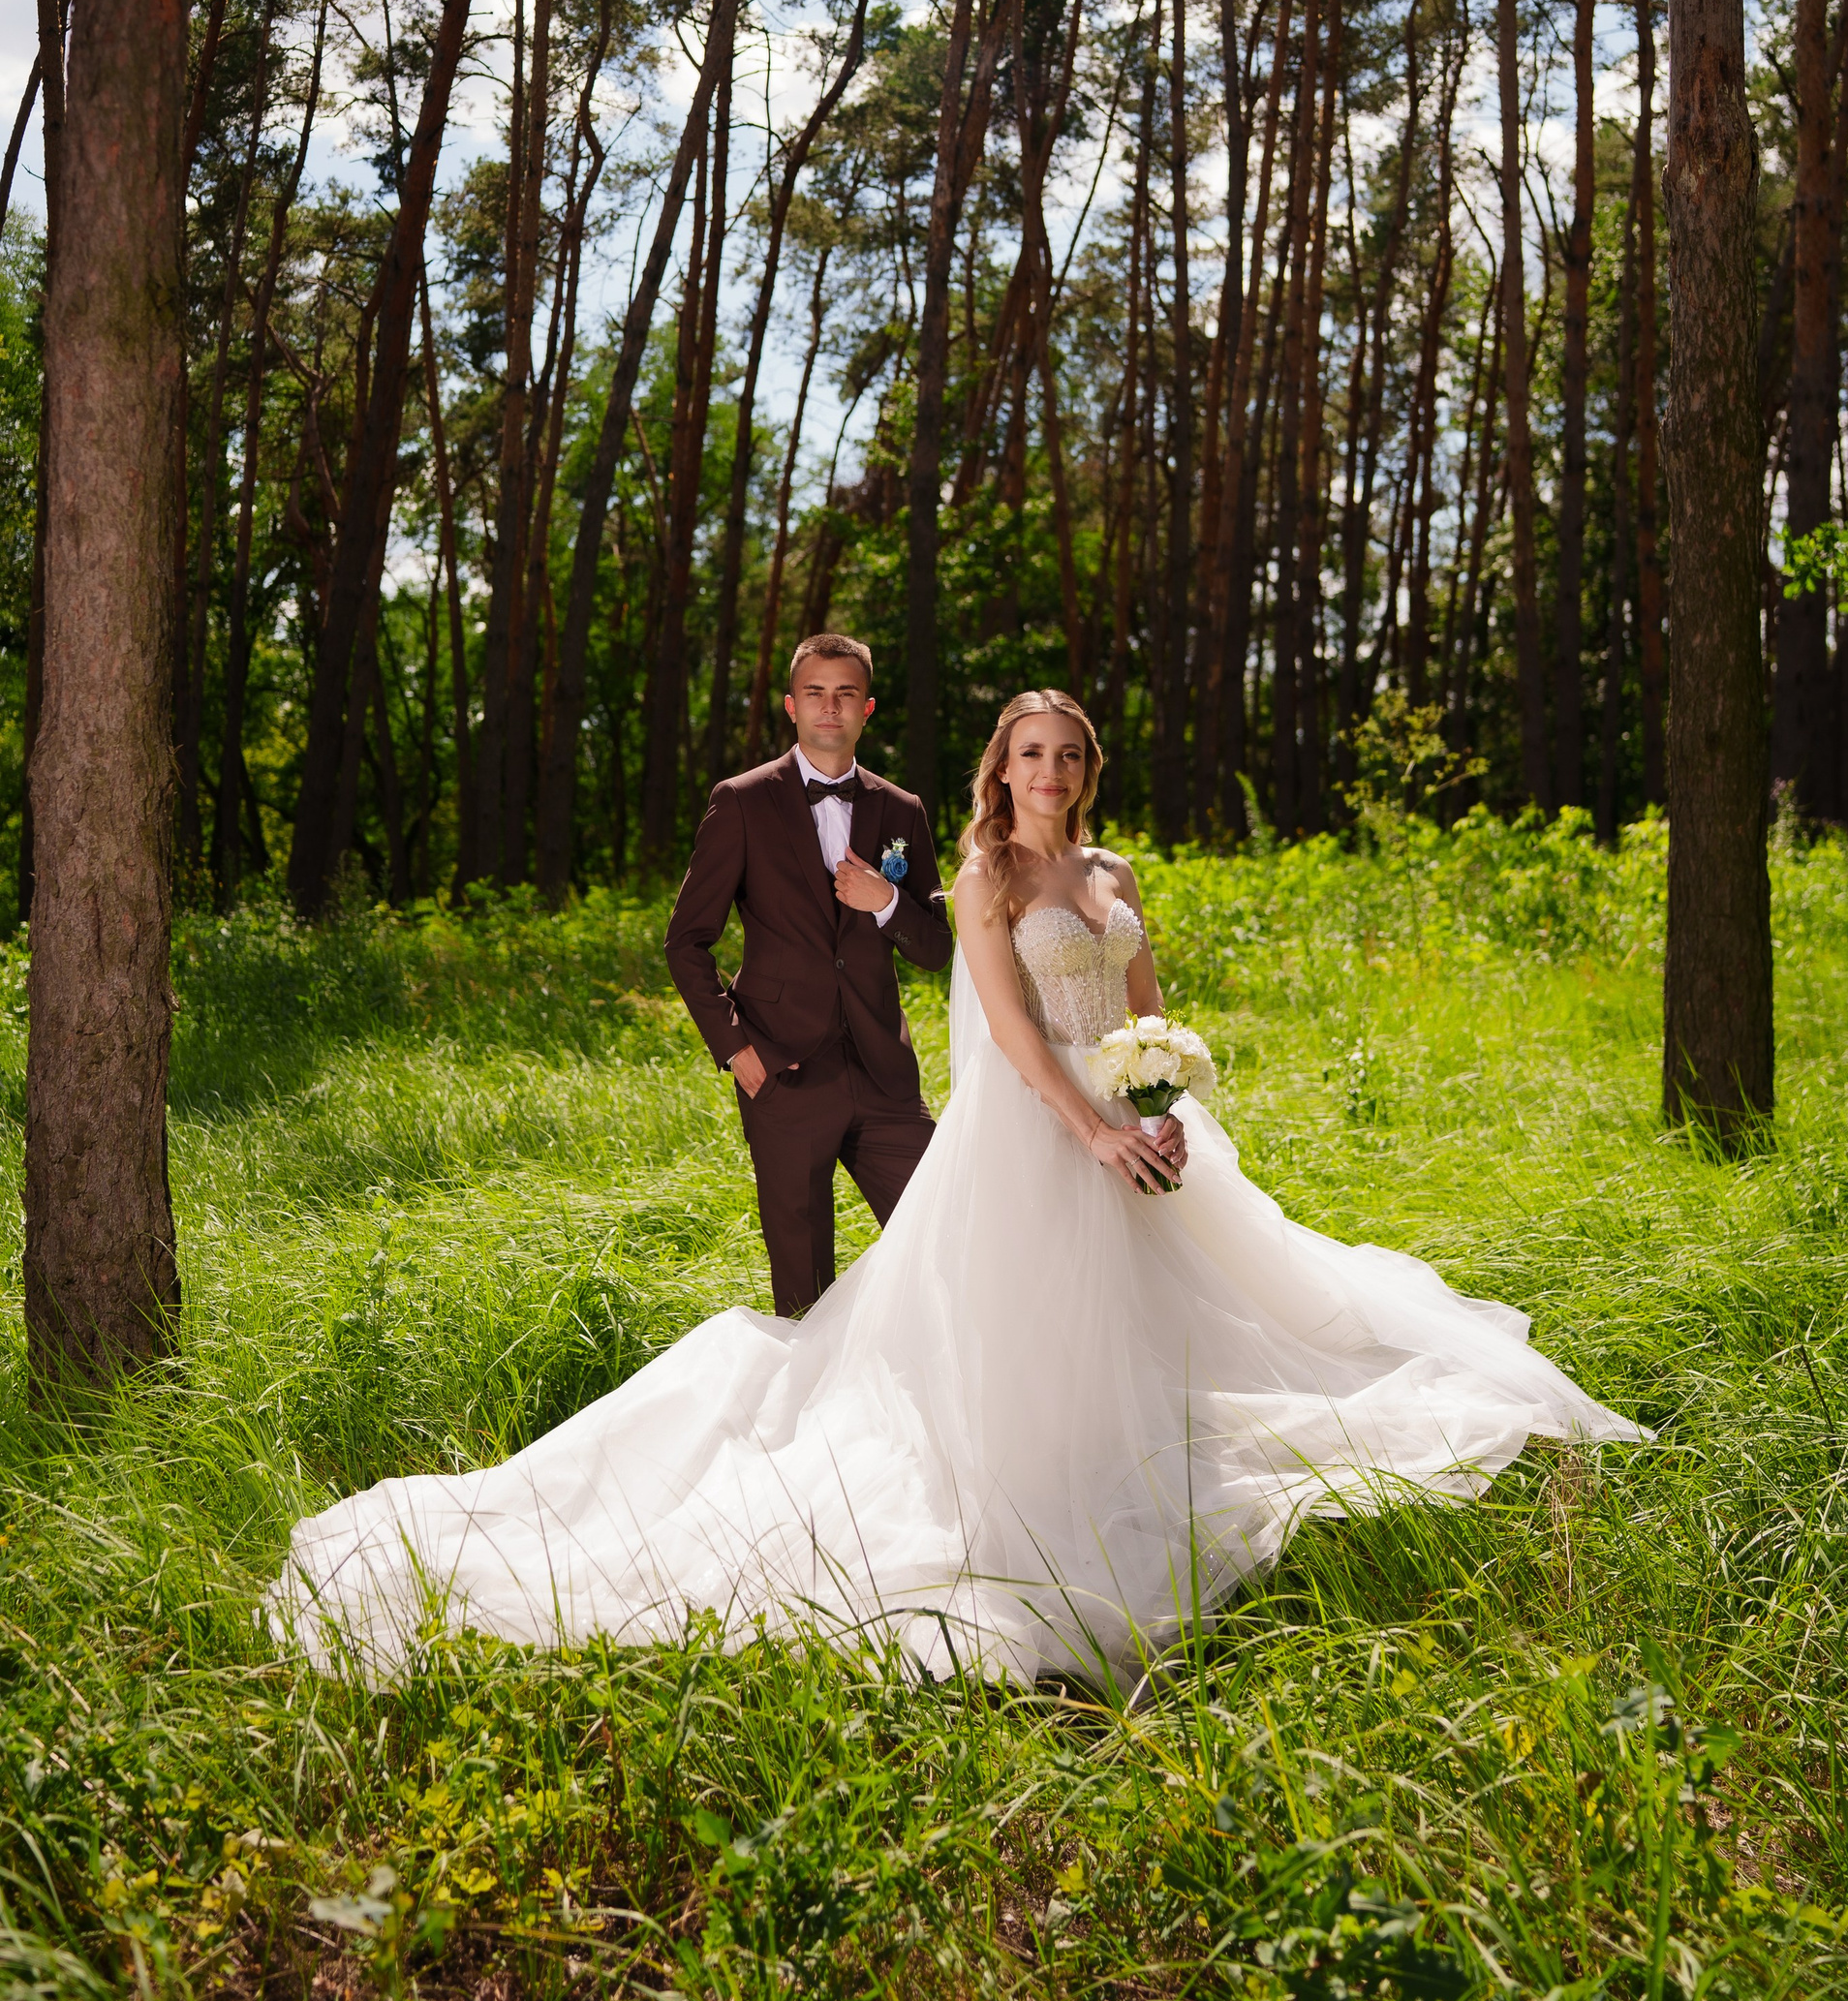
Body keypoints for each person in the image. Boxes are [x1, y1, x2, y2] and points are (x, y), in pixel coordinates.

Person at [275, 690, 1642, 1688]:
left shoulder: (1112, 871)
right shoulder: (984, 877)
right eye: (1029, 753)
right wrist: (1091, 1130)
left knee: (1257, 1314)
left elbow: (1145, 1010)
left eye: (1069, 754)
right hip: (1036, 1137)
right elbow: (1009, 1031)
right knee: (1039, 1348)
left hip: (1131, 1122)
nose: (1050, 771)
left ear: (1087, 771)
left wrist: (1162, 1109)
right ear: (1002, 770)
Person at [664, 632, 952, 1316]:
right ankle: (809, 1388)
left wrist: (886, 902)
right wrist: (736, 1049)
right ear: (791, 705)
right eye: (815, 693)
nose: (830, 706)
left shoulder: (902, 809)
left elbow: (936, 948)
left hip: (884, 1074)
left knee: (943, 1239)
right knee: (802, 1286)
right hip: (782, 1070)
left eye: (846, 693)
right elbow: (686, 942)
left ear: (867, 708)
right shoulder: (741, 801)